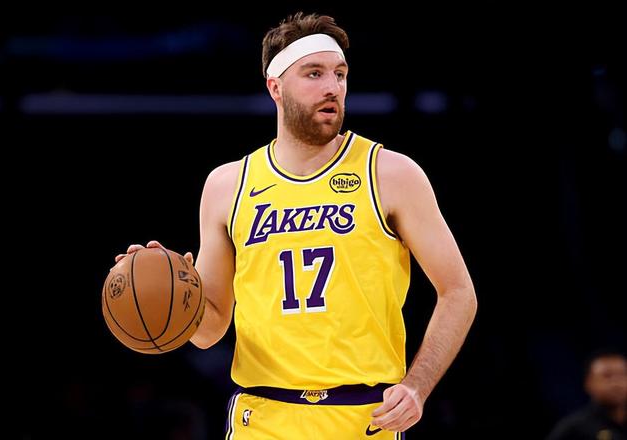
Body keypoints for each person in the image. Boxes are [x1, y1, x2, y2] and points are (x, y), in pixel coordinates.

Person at [116, 12, 477, 438]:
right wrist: (169, 289)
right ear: (276, 87)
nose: (332, 87)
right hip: (262, 418)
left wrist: (417, 386)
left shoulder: (391, 174)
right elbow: (210, 330)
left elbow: (458, 292)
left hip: (364, 417)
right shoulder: (227, 185)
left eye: (340, 74)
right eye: (314, 73)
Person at [546, 350, 627, 440]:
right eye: (607, 376)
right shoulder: (574, 429)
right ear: (588, 382)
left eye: (623, 374)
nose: (617, 383)